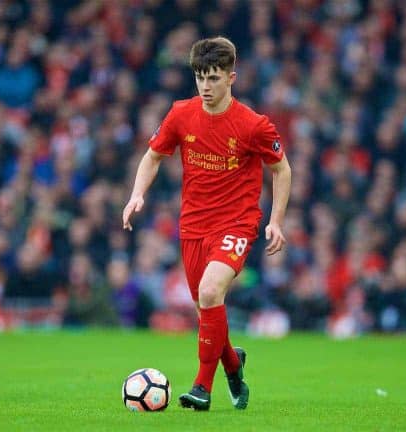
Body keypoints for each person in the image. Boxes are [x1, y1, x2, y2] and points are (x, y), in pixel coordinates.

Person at [122, 36, 291, 411]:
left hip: (236, 224)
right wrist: (137, 195)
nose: (205, 86)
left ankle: (202, 387)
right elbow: (152, 157)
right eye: (200, 77)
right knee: (206, 311)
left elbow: (281, 169)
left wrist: (276, 221)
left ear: (232, 77)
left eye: (213, 78)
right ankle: (233, 363)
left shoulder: (253, 125)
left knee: (212, 292)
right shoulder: (181, 114)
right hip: (193, 227)